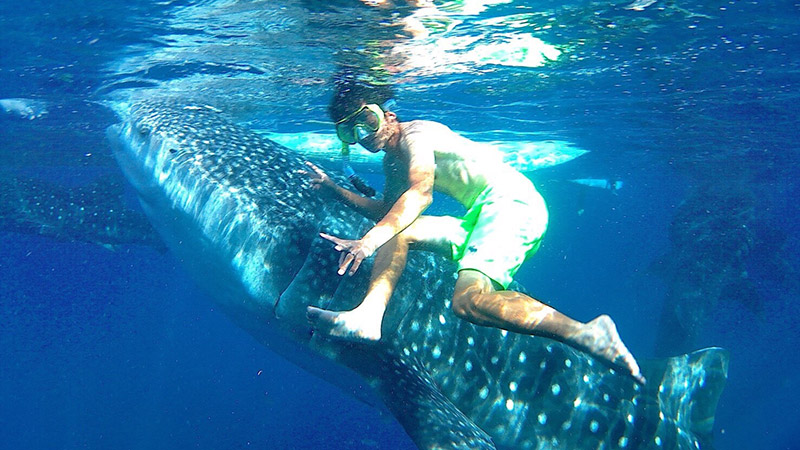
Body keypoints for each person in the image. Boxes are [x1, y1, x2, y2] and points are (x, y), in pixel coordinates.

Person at [302, 81, 644, 384]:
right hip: (480, 215)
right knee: (397, 232)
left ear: (388, 115)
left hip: (512, 205)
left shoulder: (415, 135)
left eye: (367, 121)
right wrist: (333, 188)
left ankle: (587, 333)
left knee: (467, 302)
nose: (363, 136)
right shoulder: (392, 161)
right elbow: (387, 212)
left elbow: (420, 194)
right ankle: (368, 317)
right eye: (350, 132)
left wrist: (368, 241)